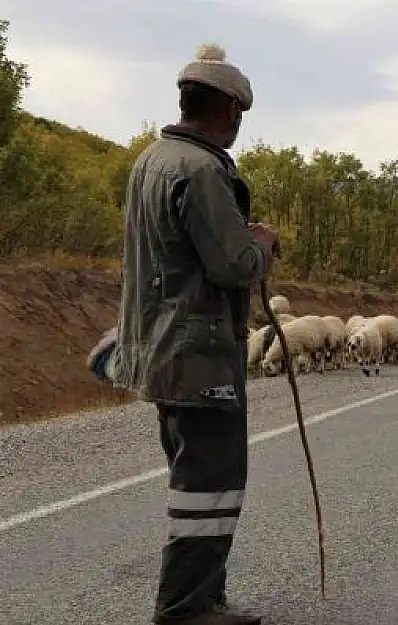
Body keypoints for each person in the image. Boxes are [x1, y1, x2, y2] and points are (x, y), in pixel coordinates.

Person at [111, 43, 277, 625]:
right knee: (211, 482)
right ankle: (186, 608)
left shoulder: (150, 160)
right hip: (199, 355)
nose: (238, 124)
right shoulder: (201, 170)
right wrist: (262, 243)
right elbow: (233, 264)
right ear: (227, 107)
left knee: (195, 476)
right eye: (240, 114)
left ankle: (203, 594)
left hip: (159, 349)